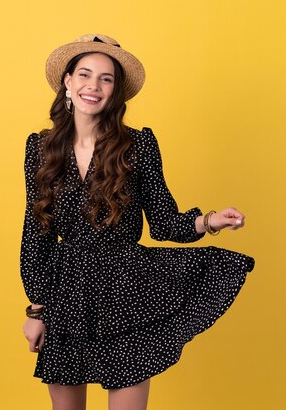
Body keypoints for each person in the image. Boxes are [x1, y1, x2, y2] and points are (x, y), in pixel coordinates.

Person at [20, 34, 255, 410]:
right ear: (67, 81)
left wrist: (211, 220)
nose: (93, 86)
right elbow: (37, 235)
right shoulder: (40, 148)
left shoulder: (138, 145)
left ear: (116, 91)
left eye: (106, 78)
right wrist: (36, 310)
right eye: (84, 74)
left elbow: (163, 222)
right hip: (68, 297)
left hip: (128, 293)